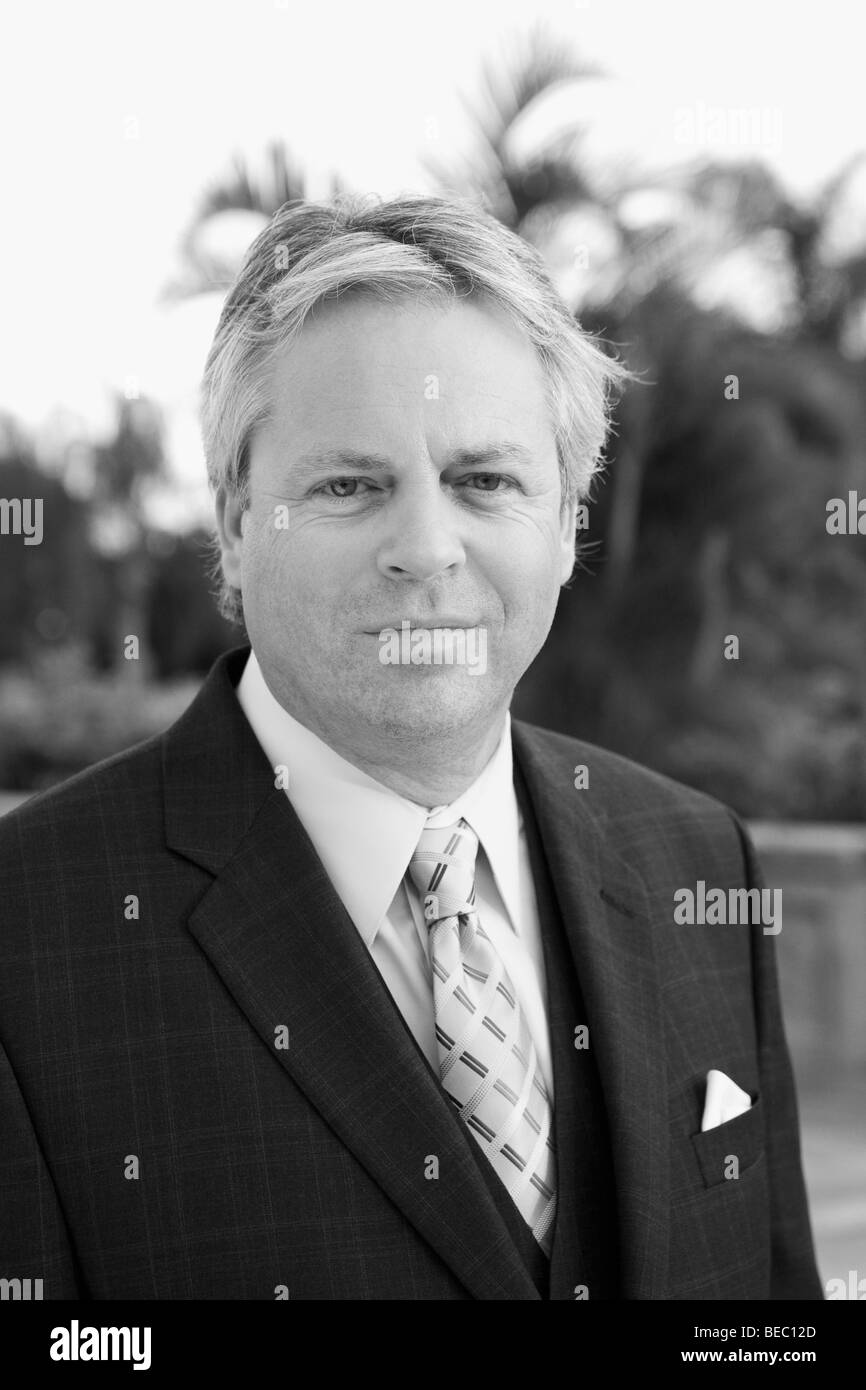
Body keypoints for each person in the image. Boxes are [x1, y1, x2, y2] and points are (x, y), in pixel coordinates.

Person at [0, 194, 822, 1300]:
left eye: (484, 481)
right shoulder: (25, 938)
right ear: (237, 528)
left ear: (567, 521)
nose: (426, 549)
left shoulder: (697, 864)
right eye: (349, 486)